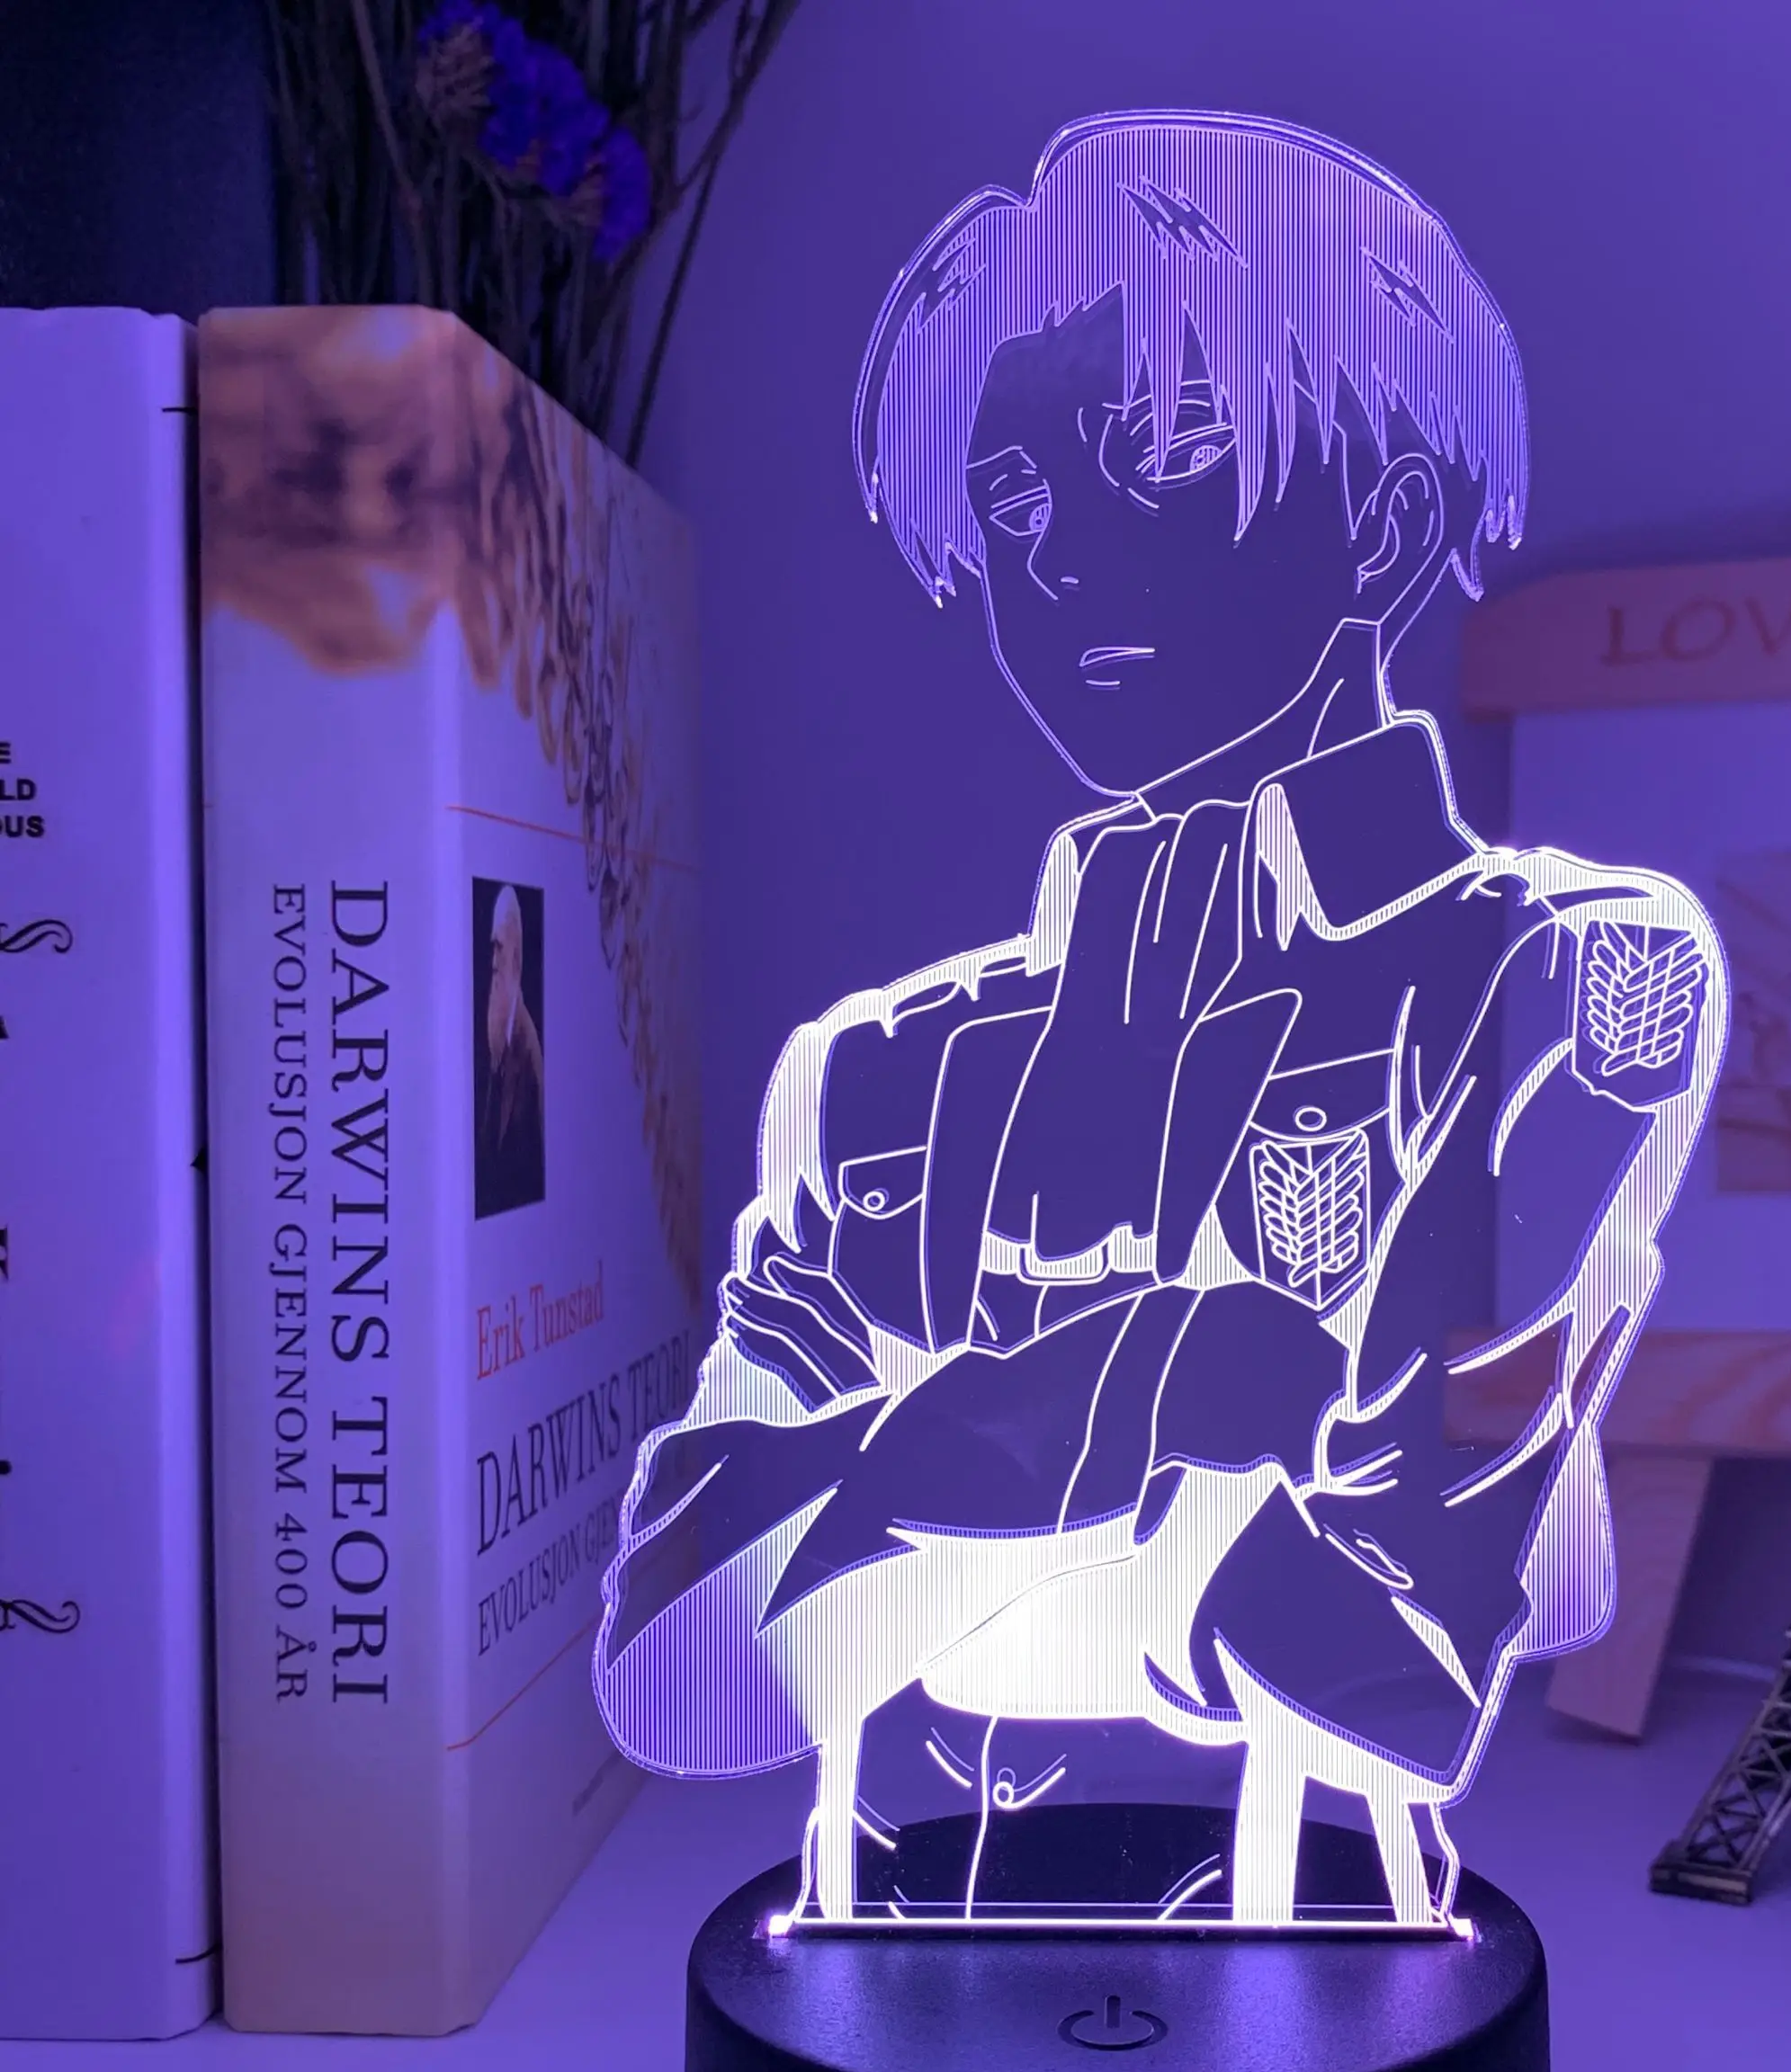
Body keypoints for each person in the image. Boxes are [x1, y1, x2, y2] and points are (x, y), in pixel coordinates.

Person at [595, 111, 1725, 1925]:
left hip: (1332, 1904)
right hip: (909, 1904)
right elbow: (683, 1665)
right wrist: (1158, 1383)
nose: (1058, 559)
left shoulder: (1561, 977)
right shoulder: (875, 1073)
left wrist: (902, 1488)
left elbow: (1375, 1629)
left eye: (1171, 448)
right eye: (1015, 498)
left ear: (1389, 520)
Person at [478, 883, 544, 1214]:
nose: (493, 961)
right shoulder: (497, 1036)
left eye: (499, 949)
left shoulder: (529, 1051)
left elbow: (536, 1172)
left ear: (515, 958)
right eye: (492, 947)